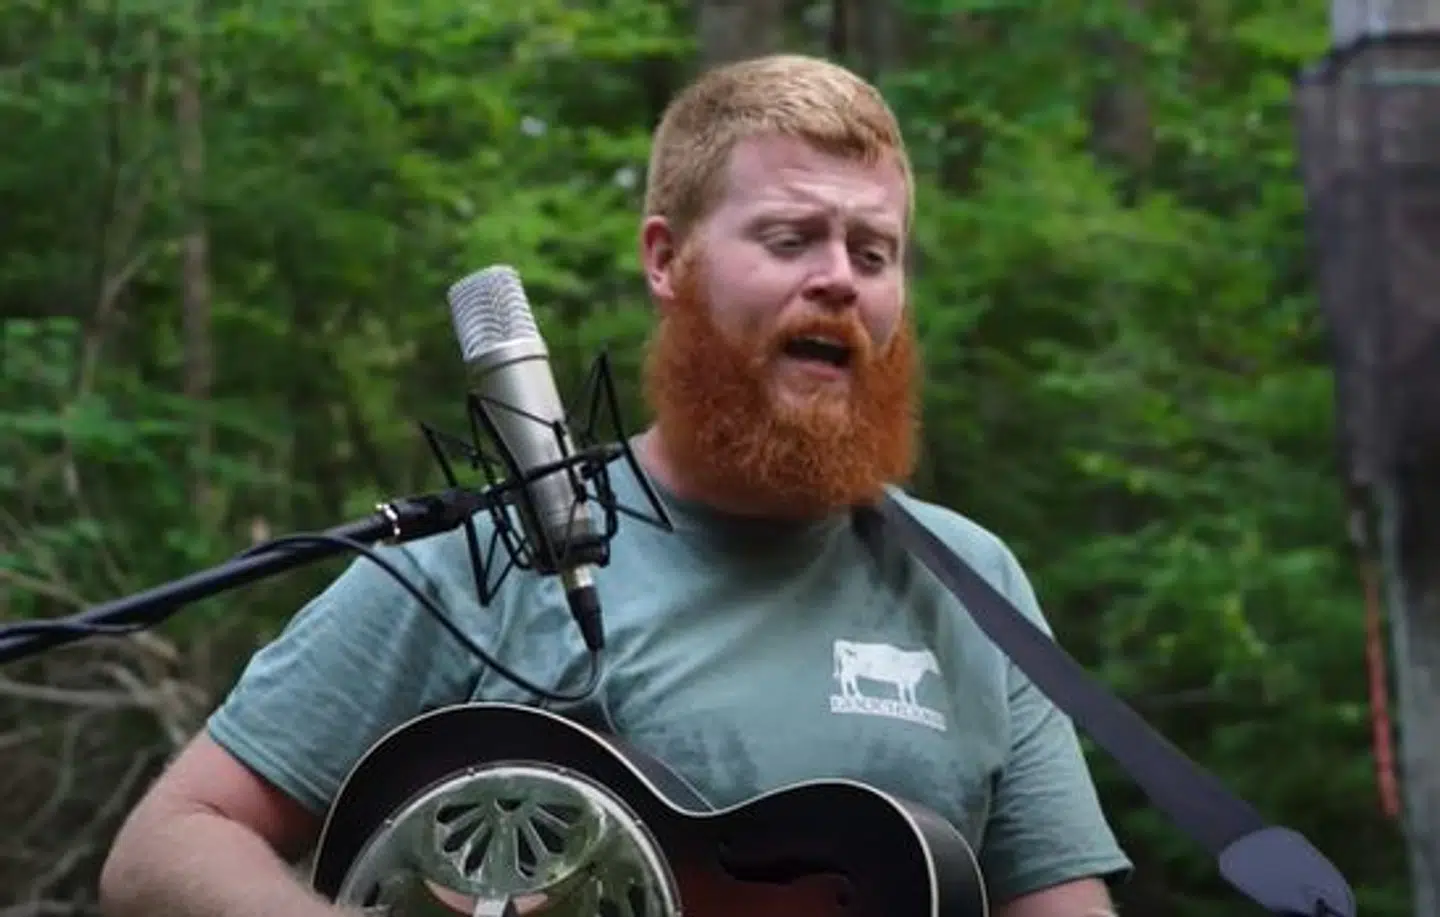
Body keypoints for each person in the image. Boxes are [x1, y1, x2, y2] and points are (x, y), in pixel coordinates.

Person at [98, 53, 1132, 917]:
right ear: (667, 260)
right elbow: (170, 839)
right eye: (790, 238)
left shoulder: (973, 582)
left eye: (874, 251)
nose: (839, 277)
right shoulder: (486, 559)